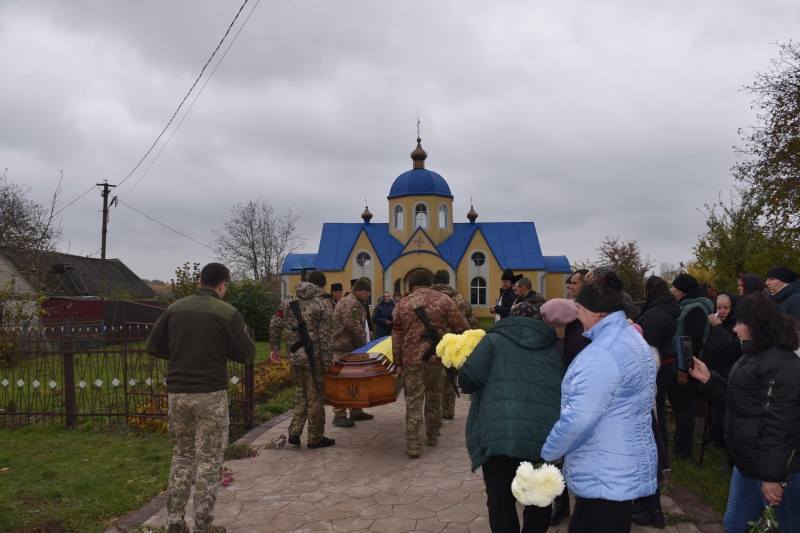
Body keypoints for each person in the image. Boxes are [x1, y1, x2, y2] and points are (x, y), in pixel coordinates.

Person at [541, 272, 658, 533]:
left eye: (580, 309)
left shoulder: (601, 354)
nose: (577, 315)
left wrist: (550, 452)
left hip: (605, 470)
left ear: (596, 312)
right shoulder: (629, 337)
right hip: (617, 464)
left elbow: (579, 418)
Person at [146, 263, 255, 533]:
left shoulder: (174, 309)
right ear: (223, 285)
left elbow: (153, 346)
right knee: (208, 461)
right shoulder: (227, 312)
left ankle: (174, 522)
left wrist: (180, 355)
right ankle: (204, 526)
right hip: (210, 394)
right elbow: (248, 355)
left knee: (182, 456)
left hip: (178, 393)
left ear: (200, 281)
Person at [689, 293, 800, 532]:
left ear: (757, 325)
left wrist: (772, 476)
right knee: (733, 525)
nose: (735, 329)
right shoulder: (751, 355)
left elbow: (781, 424)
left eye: (740, 323)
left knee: (789, 527)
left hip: (775, 469)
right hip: (748, 463)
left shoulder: (783, 364)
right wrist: (709, 380)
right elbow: (738, 402)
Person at [460, 303, 564, 533]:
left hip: (499, 433)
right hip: (542, 437)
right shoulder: (552, 349)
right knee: (538, 499)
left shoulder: (492, 341)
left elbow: (467, 380)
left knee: (500, 500)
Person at [392, 269, 469, 458]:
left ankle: (413, 444)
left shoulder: (402, 304)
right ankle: (433, 436)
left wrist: (397, 362)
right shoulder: (444, 300)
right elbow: (463, 328)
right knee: (434, 397)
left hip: (412, 360)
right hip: (437, 359)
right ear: (431, 283)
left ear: (412, 285)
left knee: (413, 401)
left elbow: (396, 335)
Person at [269, 270, 335, 449]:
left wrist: (275, 348)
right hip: (315, 361)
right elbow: (326, 338)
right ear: (321, 286)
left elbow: (275, 323)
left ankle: (294, 432)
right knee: (315, 398)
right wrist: (329, 365)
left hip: (295, 357)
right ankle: (315, 438)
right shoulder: (323, 304)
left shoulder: (288, 301)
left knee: (301, 393)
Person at [669, 273, 713, 460]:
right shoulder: (689, 305)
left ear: (682, 290)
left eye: (674, 287)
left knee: (684, 407)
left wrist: (683, 368)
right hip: (684, 364)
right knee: (681, 406)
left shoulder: (694, 309)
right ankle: (681, 443)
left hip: (686, 367)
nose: (672, 290)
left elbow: (691, 341)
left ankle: (683, 449)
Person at [635, 276, 680, 453]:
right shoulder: (663, 309)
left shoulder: (656, 313)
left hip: (657, 364)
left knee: (656, 410)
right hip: (665, 360)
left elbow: (649, 342)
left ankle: (659, 452)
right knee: (658, 409)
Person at [430, 269, 480, 420]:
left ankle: (434, 413)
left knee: (434, 380)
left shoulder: (429, 299)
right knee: (451, 378)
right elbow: (472, 324)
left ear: (434, 282)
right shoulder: (461, 300)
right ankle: (449, 411)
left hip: (432, 346)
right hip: (455, 346)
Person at [332, 277, 375, 427]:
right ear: (358, 290)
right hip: (342, 348)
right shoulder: (350, 303)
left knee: (355, 380)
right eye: (366, 291)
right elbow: (354, 327)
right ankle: (339, 414)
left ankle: (356, 410)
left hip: (352, 348)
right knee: (343, 381)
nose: (369, 294)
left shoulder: (358, 303)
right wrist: (366, 348)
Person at [702, 292, 741, 448]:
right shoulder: (717, 326)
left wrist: (718, 327)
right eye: (719, 307)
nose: (722, 311)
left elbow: (732, 348)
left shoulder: (735, 326)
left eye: (726, 307)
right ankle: (717, 437)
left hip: (728, 376)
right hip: (714, 374)